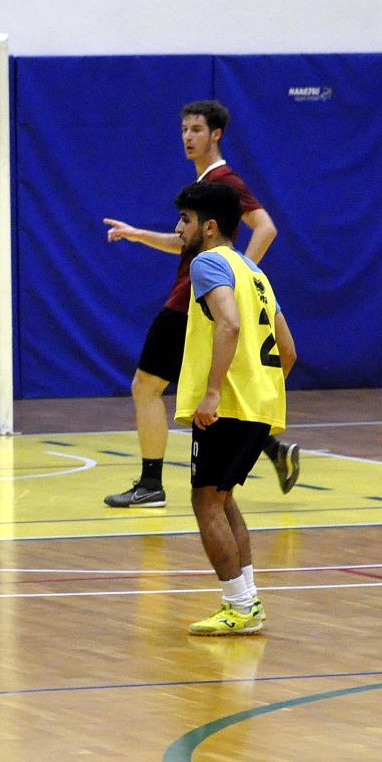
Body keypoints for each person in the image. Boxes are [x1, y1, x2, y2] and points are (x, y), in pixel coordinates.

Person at [103, 99, 297, 507]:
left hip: (187, 303)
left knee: (146, 386)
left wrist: (239, 275)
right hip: (194, 299)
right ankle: (269, 446)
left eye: (196, 129)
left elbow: (266, 228)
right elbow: (184, 242)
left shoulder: (224, 180)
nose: (188, 137)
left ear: (216, 134)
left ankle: (151, 483)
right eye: (184, 130)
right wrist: (138, 234)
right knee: (202, 390)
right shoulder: (206, 183)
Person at [171, 181, 297, 637]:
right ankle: (247, 601)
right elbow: (288, 350)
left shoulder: (208, 263)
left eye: (185, 220)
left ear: (209, 227)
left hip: (227, 406)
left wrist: (212, 393)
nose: (178, 228)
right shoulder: (254, 272)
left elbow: (228, 323)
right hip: (260, 405)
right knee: (222, 497)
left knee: (205, 500)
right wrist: (260, 387)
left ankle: (239, 605)